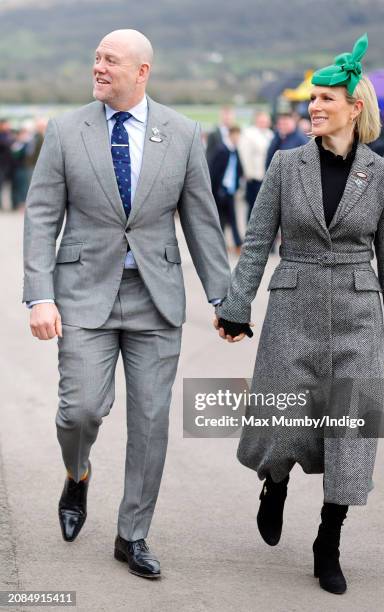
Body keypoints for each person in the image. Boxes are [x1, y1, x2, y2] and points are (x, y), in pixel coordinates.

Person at [22, 29, 230, 579]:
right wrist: (40, 295)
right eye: (95, 58)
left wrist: (223, 298)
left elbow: (203, 223)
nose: (98, 67)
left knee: (151, 421)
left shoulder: (183, 134)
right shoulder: (65, 131)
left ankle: (132, 535)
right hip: (82, 295)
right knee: (81, 409)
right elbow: (42, 216)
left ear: (141, 72)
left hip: (155, 300)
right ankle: (78, 471)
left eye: (110, 60)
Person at [214, 33, 384, 595]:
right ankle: (273, 482)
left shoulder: (382, 174)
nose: (315, 108)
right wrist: (236, 305)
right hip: (291, 305)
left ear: (355, 107)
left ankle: (329, 541)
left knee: (349, 433)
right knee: (282, 420)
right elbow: (256, 242)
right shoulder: (285, 164)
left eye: (327, 100)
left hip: (357, 311)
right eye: (312, 101)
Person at [209, 126, 244, 254]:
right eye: (235, 136)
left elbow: (239, 168)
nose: (237, 139)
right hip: (220, 191)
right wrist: (214, 191)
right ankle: (220, 246)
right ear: (230, 135)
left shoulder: (234, 150)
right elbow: (213, 172)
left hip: (230, 191)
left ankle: (236, 245)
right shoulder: (221, 150)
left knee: (232, 219)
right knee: (220, 220)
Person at [238, 111, 273, 221]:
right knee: (253, 207)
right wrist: (248, 173)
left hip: (268, 177)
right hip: (255, 177)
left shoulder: (270, 134)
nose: (264, 123)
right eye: (262, 121)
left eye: (266, 121)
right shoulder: (248, 134)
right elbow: (244, 155)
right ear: (256, 121)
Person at [0, 119, 13, 210]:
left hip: (7, 165)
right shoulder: (3, 136)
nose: (7, 127)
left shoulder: (8, 135)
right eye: (5, 125)